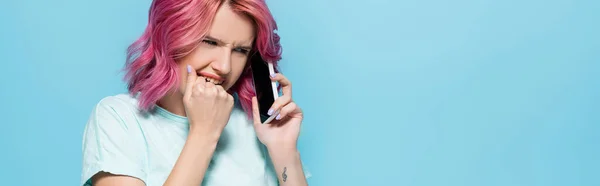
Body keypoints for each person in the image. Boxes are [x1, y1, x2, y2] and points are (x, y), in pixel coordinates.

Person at [80, 0, 311, 185]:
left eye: (240, 50)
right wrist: (203, 133)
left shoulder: (257, 125)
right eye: (210, 42)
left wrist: (285, 151)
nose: (225, 66)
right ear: (170, 38)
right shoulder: (119, 118)